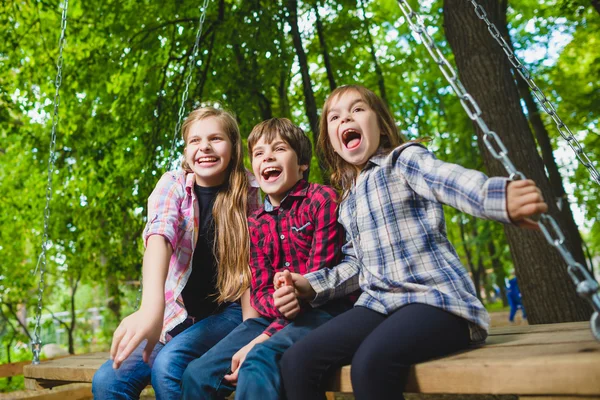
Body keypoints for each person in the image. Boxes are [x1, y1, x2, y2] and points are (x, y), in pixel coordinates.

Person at [276, 85, 548, 400]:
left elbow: (447, 179)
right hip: (379, 304)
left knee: (371, 365)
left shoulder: (403, 160)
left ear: (380, 124)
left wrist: (497, 198)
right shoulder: (348, 198)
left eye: (358, 109)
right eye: (334, 117)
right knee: (297, 361)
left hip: (436, 302)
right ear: (332, 143)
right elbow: (355, 265)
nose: (345, 118)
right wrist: (311, 286)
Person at [92, 107, 261, 400]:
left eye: (215, 138)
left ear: (233, 147)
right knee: (108, 381)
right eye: (194, 141)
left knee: (169, 366)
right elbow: (160, 235)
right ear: (186, 150)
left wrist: (251, 331)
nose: (204, 147)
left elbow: (256, 263)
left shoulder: (251, 192)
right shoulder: (174, 185)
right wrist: (151, 308)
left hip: (229, 312)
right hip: (177, 316)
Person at [181, 118, 350, 399]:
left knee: (256, 366)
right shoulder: (255, 223)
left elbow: (320, 281)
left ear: (302, 164)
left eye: (279, 149)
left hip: (323, 313)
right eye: (258, 153)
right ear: (256, 172)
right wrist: (277, 305)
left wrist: (266, 335)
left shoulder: (322, 200)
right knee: (196, 375)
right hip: (271, 318)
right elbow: (259, 290)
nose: (267, 156)